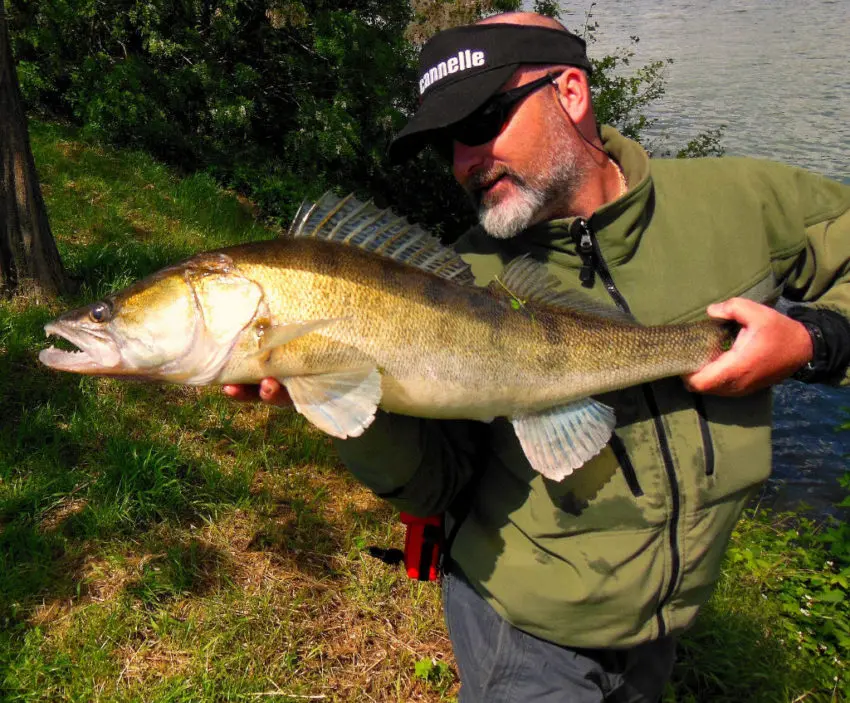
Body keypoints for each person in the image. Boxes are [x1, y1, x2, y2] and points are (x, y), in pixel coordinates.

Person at [224, 11, 850, 702]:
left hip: (663, 626)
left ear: (572, 92)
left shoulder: (738, 204)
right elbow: (436, 486)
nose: (465, 162)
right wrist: (349, 397)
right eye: (449, 144)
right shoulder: (458, 280)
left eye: (482, 120)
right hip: (523, 633)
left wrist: (815, 340)